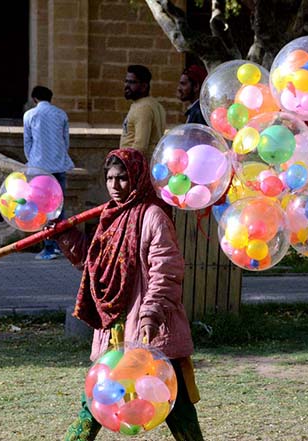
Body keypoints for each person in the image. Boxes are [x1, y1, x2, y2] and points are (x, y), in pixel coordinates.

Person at [56, 148, 204, 441]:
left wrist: (152, 313)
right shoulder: (109, 216)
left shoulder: (153, 216)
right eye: (110, 178)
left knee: (177, 404)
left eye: (123, 178)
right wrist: (66, 236)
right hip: (115, 327)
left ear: (137, 178)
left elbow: (167, 271)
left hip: (151, 328)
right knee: (96, 400)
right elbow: (95, 263)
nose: (115, 185)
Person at [23, 85, 74, 261]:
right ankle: (63, 245)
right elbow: (65, 141)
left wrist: (33, 160)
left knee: (43, 208)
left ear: (35, 99)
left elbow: (27, 142)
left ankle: (50, 246)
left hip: (40, 168)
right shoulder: (61, 114)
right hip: (59, 165)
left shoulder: (30, 115)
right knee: (59, 207)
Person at [119, 65, 167, 160]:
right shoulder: (155, 104)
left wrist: (126, 165)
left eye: (132, 82)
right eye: (126, 81)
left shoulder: (143, 108)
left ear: (144, 86)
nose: (127, 86)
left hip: (138, 166)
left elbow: (140, 146)